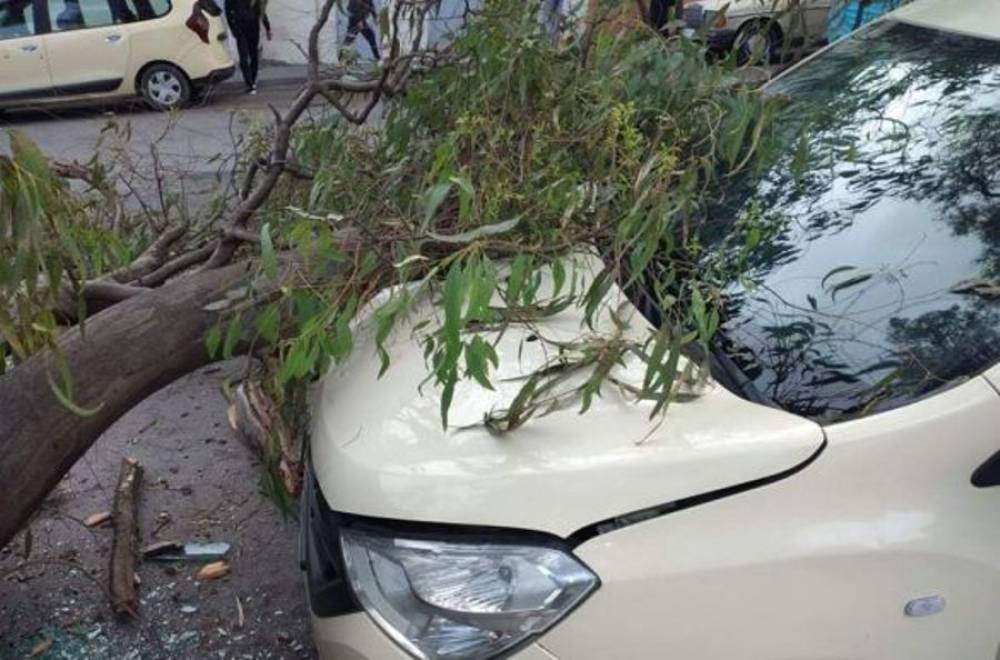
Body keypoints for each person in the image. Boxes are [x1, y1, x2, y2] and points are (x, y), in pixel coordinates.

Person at [226, 0, 271, 94]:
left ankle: (253, 80)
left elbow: (261, 10)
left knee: (253, 55)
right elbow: (228, 11)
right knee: (243, 57)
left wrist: (267, 28)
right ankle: (249, 83)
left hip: (253, 26)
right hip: (240, 28)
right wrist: (233, 28)